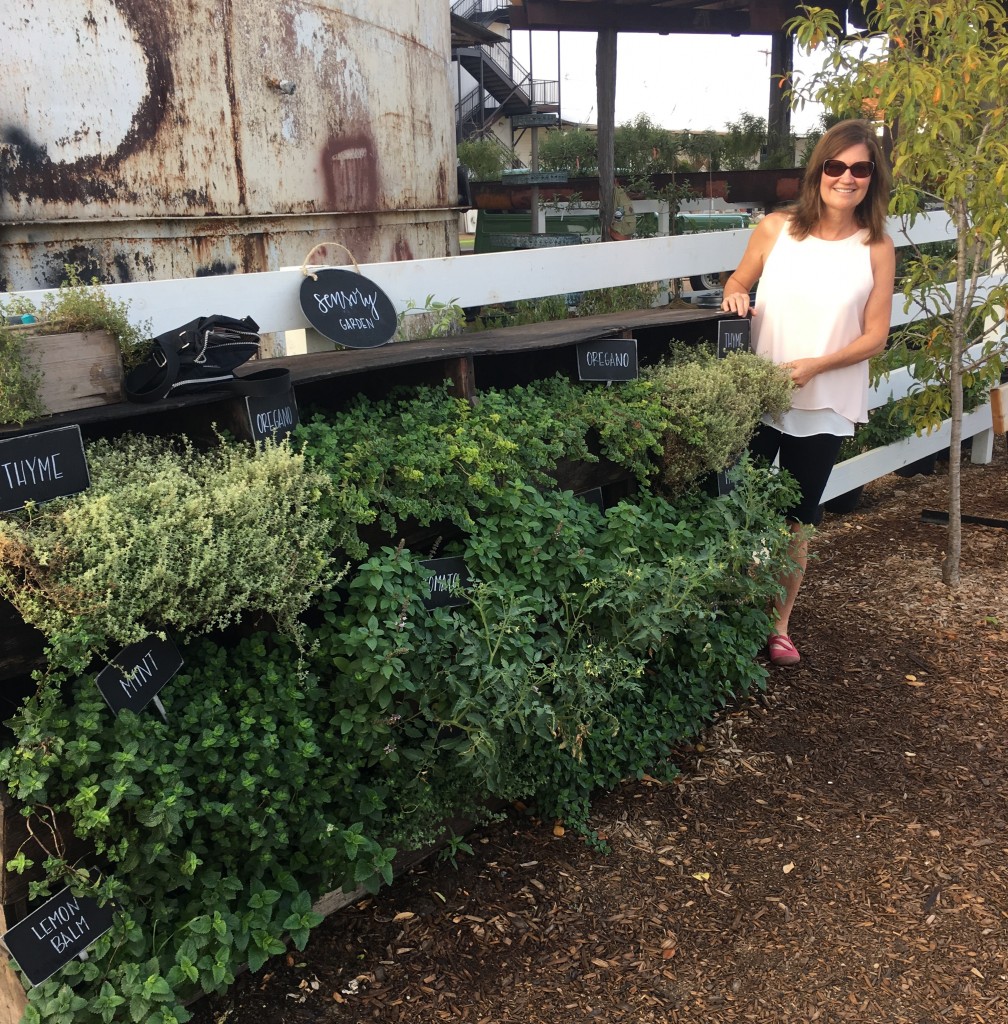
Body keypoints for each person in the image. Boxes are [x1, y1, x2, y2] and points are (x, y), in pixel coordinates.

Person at [720, 119, 896, 667]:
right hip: (759, 395)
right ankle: (732, 611)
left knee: (798, 518)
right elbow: (737, 281)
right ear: (818, 170)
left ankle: (777, 625)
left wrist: (818, 365)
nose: (846, 178)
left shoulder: (877, 247)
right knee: (738, 508)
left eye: (860, 169)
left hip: (825, 401)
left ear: (873, 178)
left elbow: (876, 336)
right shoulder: (776, 229)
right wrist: (734, 297)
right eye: (836, 166)